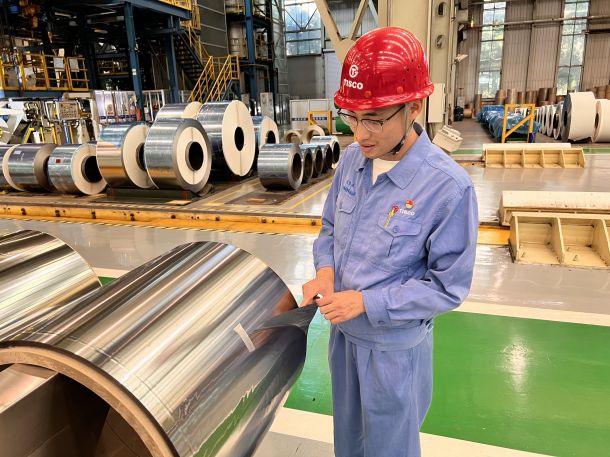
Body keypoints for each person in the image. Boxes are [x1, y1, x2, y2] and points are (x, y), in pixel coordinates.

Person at [300, 26, 479, 457]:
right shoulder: (351, 162)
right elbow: (330, 228)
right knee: (349, 444)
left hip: (392, 351)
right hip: (343, 338)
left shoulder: (447, 187)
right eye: (352, 117)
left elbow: (447, 287)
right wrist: (325, 271)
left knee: (389, 449)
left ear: (413, 107)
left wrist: (367, 302)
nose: (360, 134)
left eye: (375, 119)